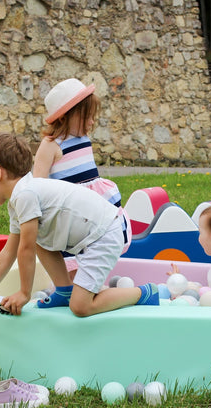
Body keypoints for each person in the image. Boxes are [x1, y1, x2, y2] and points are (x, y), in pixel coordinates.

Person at [0, 133, 158, 317]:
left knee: (81, 306)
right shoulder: (20, 198)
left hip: (103, 235)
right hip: (95, 234)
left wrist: (24, 293)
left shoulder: (26, 195)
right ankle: (64, 289)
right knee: (34, 235)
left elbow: (26, 250)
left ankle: (144, 293)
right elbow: (9, 252)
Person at [33, 78, 131, 271]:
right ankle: (71, 288)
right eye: (86, 117)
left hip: (93, 205)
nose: (92, 122)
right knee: (74, 252)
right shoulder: (51, 145)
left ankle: (91, 283)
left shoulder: (82, 138)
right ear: (63, 117)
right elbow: (38, 183)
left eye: (92, 116)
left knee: (97, 245)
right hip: (72, 210)